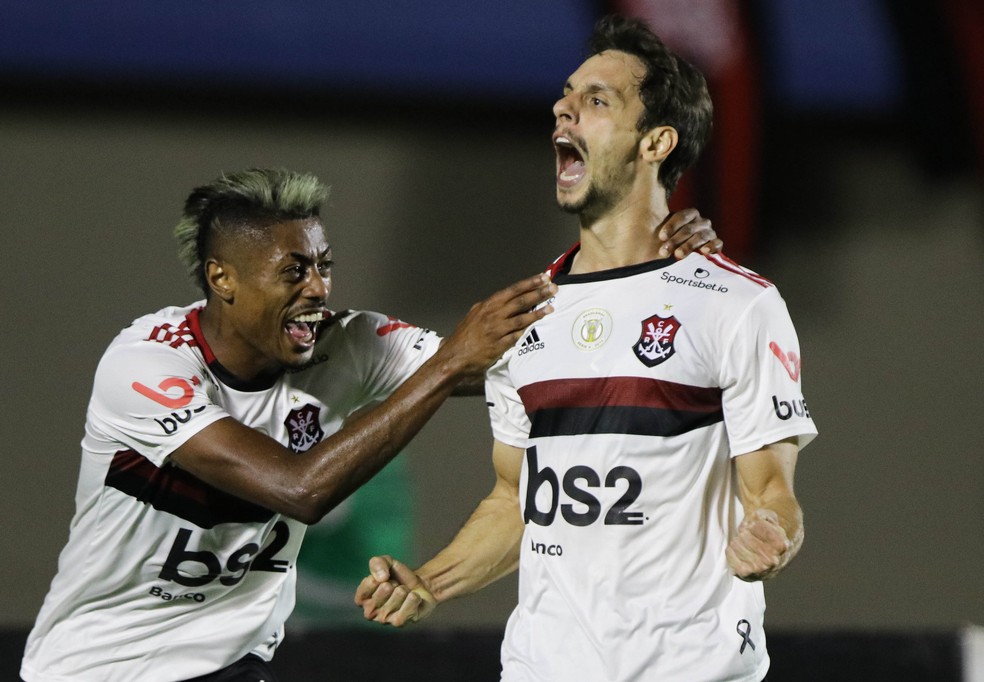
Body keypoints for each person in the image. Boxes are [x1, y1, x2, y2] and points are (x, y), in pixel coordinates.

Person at [20, 167, 717, 682]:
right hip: (95, 668)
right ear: (222, 280)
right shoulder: (144, 366)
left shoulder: (346, 342)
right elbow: (298, 490)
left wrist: (647, 279)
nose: (318, 288)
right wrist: (445, 367)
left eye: (324, 267)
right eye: (293, 271)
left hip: (233, 664)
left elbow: (521, 365)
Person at [356, 15, 818, 682]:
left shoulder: (737, 304)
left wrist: (772, 534)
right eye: (567, 94)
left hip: (691, 669)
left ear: (656, 141)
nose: (562, 107)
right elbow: (515, 501)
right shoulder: (521, 315)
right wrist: (429, 581)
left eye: (597, 99)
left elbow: (772, 489)